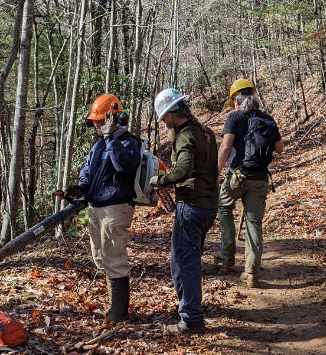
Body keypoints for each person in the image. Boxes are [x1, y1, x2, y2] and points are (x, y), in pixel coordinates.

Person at [64, 93, 141, 322]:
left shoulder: (128, 142)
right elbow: (87, 170)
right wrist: (80, 188)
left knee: (115, 259)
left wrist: (111, 139)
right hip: (95, 207)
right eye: (95, 122)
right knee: (101, 258)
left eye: (100, 121)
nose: (96, 125)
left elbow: (124, 166)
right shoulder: (98, 146)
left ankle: (120, 314)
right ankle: (113, 305)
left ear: (113, 119)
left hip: (115, 208)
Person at [149, 88, 218, 335]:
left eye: (163, 118)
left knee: (183, 262)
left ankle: (190, 318)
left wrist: (160, 180)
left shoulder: (186, 136)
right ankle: (189, 309)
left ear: (169, 114)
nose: (163, 123)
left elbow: (184, 170)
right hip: (208, 205)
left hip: (192, 205)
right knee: (186, 259)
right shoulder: (205, 132)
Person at [215, 79, 283, 288]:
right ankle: (252, 271)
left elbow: (226, 147)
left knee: (224, 207)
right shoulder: (267, 119)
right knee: (254, 223)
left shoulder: (234, 117)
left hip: (237, 176)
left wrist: (215, 172)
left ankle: (227, 257)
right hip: (260, 179)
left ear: (236, 100)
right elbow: (279, 148)